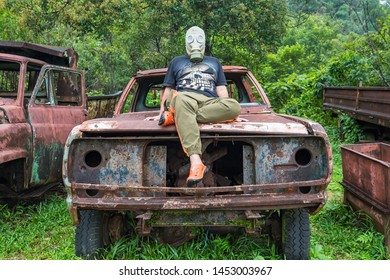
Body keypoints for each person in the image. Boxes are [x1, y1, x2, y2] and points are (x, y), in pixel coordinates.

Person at [152, 26, 241, 186]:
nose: (195, 43)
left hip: (208, 101)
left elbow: (221, 89)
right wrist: (161, 112)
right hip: (184, 98)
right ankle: (196, 161)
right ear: (186, 43)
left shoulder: (214, 62)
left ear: (204, 43)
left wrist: (228, 111)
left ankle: (179, 115)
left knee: (235, 107)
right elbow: (169, 89)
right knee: (181, 101)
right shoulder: (176, 61)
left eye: (199, 40)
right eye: (191, 40)